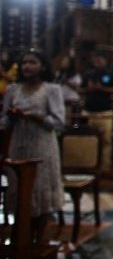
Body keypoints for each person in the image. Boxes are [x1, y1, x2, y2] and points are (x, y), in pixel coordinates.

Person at [0, 49, 65, 244]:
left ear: (43, 66)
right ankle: (21, 236)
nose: (27, 66)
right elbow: (4, 122)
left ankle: (39, 237)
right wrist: (11, 116)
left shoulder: (51, 90)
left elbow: (59, 122)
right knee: (18, 189)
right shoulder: (13, 89)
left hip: (42, 145)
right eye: (24, 63)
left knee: (40, 188)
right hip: (19, 144)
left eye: (32, 62)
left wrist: (36, 117)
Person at [81, 53, 113, 171]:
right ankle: (88, 166)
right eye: (96, 59)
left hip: (105, 112)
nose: (98, 61)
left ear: (105, 60)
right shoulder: (88, 74)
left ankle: (104, 167)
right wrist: (88, 89)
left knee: (106, 141)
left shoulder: (111, 74)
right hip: (88, 111)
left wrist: (102, 88)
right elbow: (81, 89)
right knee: (87, 140)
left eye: (100, 58)